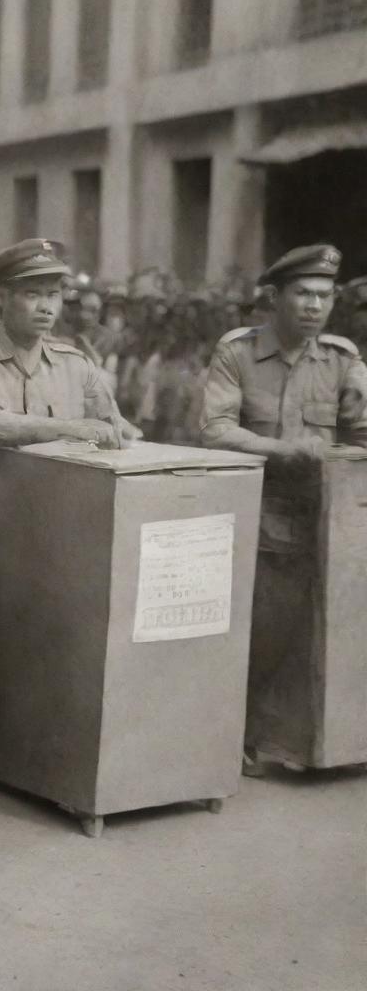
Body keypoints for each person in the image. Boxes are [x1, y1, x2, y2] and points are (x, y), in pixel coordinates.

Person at [200, 244, 367, 774]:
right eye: (303, 294)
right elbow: (215, 430)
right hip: (258, 509)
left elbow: (360, 428)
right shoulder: (238, 353)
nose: (315, 306)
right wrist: (285, 449)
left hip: (332, 515)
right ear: (276, 298)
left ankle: (324, 741)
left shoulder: (343, 360)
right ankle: (240, 733)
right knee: (266, 629)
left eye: (324, 296)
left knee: (336, 625)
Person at [0, 239, 134, 466]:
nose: (45, 307)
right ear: (2, 297)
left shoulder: (77, 365)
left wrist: (115, 431)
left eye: (52, 295)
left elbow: (117, 430)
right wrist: (74, 429)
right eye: (32, 295)